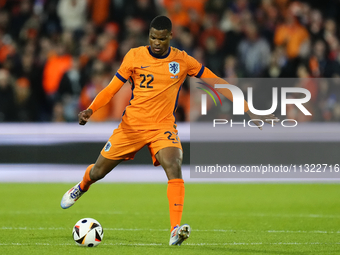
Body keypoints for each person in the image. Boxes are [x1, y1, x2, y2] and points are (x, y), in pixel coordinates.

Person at [60, 15, 277, 246]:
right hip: (131, 126)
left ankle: (175, 230)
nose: (156, 42)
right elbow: (111, 89)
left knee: (174, 165)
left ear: (170, 37)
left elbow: (217, 82)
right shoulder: (134, 56)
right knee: (98, 173)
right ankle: (81, 187)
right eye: (153, 37)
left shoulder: (183, 61)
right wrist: (91, 110)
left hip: (162, 127)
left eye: (161, 38)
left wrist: (248, 109)